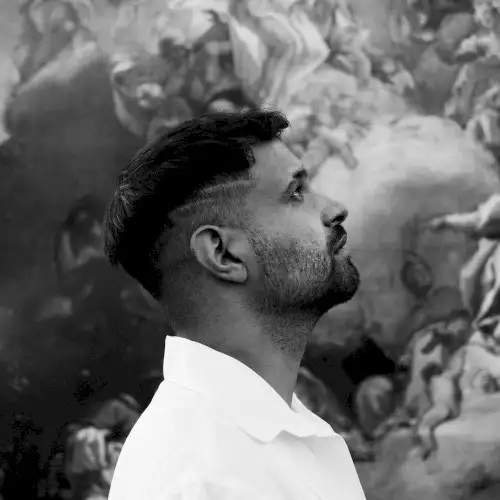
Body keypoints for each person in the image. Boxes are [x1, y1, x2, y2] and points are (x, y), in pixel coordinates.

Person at [103, 110, 365, 499]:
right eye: (296, 193)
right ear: (223, 254)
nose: (334, 208)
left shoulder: (277, 433)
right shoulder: (199, 480)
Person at [64, 370, 163, 500]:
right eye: (156, 386)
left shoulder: (151, 416)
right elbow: (87, 434)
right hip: (107, 479)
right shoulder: (119, 407)